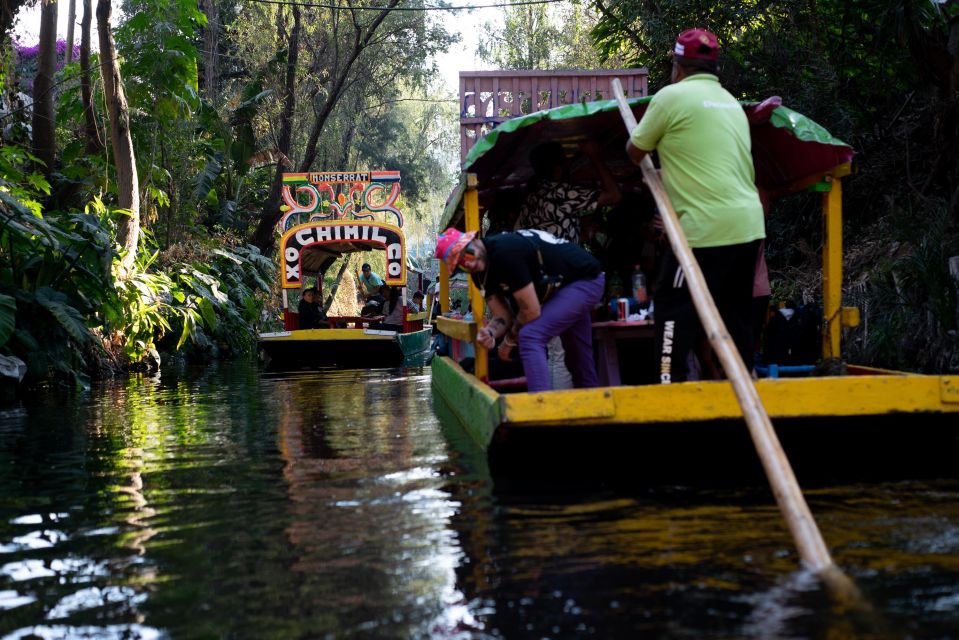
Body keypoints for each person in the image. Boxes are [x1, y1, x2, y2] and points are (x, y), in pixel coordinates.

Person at [625, 28, 765, 384]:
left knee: (672, 304)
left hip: (703, 230)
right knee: (736, 312)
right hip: (749, 225)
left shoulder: (671, 97)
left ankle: (668, 385)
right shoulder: (731, 103)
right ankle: (745, 382)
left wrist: (657, 165)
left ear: (677, 67)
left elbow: (634, 151)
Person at [434, 227, 605, 393]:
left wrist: (508, 341)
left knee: (530, 335)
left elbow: (531, 311)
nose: (469, 263)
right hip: (562, 288)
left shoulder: (504, 252)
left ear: (475, 241)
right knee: (577, 357)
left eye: (468, 253)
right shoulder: (480, 275)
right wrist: (490, 332)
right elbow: (502, 316)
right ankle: (597, 413)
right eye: (461, 265)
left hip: (585, 279)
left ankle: (538, 413)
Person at [515, 140, 622, 245]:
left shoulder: (531, 198)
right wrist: (594, 155)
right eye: (565, 160)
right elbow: (614, 196)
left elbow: (554, 232)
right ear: (558, 167)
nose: (569, 163)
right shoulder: (561, 193)